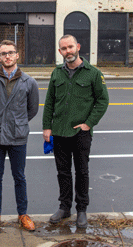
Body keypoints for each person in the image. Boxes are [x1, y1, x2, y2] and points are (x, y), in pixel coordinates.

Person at [43, 34, 109, 228]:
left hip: (81, 133)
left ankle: (82, 209)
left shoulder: (93, 73)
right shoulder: (57, 73)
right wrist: (47, 127)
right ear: (60, 51)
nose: (68, 51)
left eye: (70, 47)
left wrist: (89, 123)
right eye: (64, 48)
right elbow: (49, 102)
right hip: (59, 132)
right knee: (62, 172)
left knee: (82, 172)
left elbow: (102, 100)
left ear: (78, 46)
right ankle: (64, 207)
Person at [0, 40, 39, 231]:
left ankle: (23, 214)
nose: (7, 56)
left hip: (18, 136)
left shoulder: (29, 82)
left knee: (19, 176)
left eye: (11, 53)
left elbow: (32, 109)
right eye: (4, 53)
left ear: (17, 55)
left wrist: (16, 123)